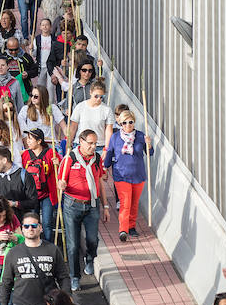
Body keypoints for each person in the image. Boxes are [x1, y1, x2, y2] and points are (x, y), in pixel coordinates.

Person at [56, 130, 109, 292]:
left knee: (93, 240)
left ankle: (89, 259)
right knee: (72, 246)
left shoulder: (97, 159)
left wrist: (105, 206)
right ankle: (75, 277)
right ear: (81, 141)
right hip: (72, 205)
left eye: (95, 143)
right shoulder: (69, 159)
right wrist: (62, 185)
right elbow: (60, 182)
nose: (93, 147)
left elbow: (100, 181)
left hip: (92, 205)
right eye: (90, 143)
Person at [0, 212, 69, 305]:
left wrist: (66, 299)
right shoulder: (13, 253)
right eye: (26, 226)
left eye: (34, 226)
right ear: (22, 229)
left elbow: (63, 277)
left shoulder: (53, 249)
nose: (30, 229)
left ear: (40, 228)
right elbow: (6, 282)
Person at [103, 110, 153, 241]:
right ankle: (123, 230)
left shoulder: (141, 136)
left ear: (134, 122)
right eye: (124, 123)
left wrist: (149, 144)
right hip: (121, 175)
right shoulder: (115, 137)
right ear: (120, 123)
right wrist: (104, 168)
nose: (127, 125)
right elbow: (109, 154)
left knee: (134, 203)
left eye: (130, 122)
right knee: (125, 203)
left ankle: (131, 227)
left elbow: (150, 153)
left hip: (138, 175)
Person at [20, 129, 61, 241]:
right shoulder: (24, 155)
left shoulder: (50, 153)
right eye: (27, 138)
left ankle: (48, 247)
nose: (27, 141)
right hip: (30, 195)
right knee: (32, 223)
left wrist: (58, 163)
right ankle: (32, 245)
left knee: (47, 223)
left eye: (30, 139)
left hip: (47, 194)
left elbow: (61, 169)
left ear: (39, 141)